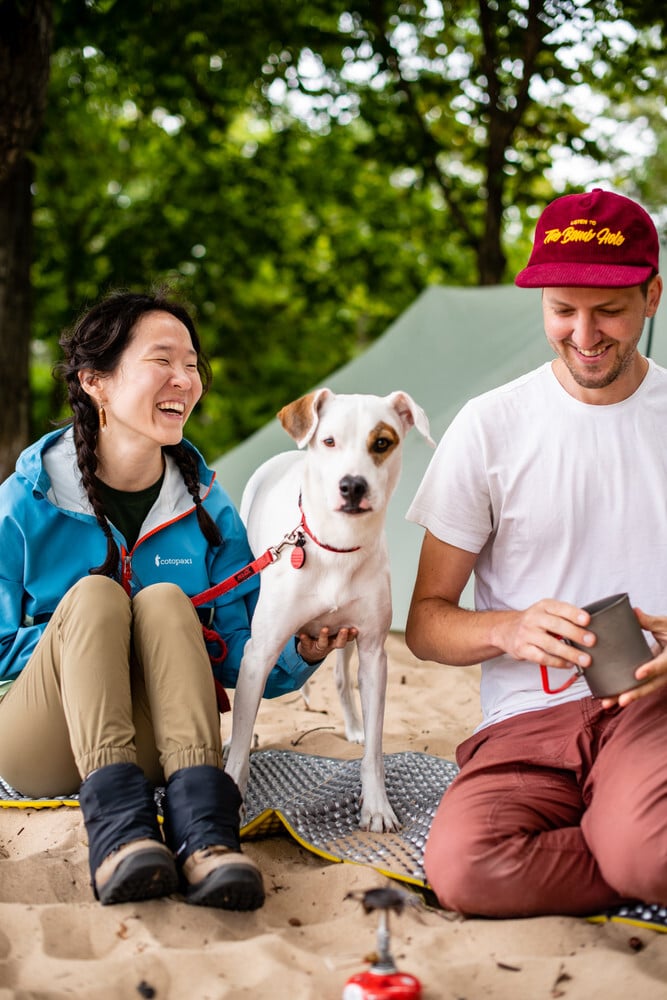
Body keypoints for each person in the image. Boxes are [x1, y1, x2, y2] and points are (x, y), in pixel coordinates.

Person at [0, 289, 352, 909]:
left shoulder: (209, 507)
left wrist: (298, 649)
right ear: (95, 384)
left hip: (161, 749)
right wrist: (93, 631)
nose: (183, 380)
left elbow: (246, 660)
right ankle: (117, 836)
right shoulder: (26, 500)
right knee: (97, 599)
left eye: (191, 365)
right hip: (43, 742)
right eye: (161, 361)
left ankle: (205, 837)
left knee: (164, 600)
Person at [405, 188, 667, 918]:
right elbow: (425, 623)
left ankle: (631, 841)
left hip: (652, 706)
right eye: (561, 308)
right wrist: (506, 628)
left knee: (646, 850)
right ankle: (620, 838)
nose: (583, 334)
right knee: (465, 871)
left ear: (651, 294)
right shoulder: (489, 425)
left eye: (608, 309)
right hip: (526, 723)